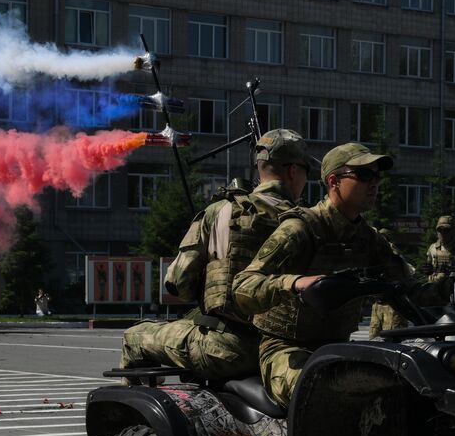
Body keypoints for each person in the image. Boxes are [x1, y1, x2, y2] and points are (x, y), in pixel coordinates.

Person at [234, 142, 443, 407]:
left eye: (377, 176)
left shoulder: (369, 238)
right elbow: (244, 286)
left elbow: (410, 290)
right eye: (364, 175)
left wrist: (453, 287)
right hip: (285, 350)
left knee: (405, 391)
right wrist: (295, 282)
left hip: (339, 348)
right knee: (324, 394)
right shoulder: (301, 229)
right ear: (334, 181)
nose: (374, 183)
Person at [119, 129, 316, 379]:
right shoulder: (310, 222)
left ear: (260, 168)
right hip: (287, 354)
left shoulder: (221, 211)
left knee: (133, 337)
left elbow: (179, 285)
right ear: (293, 171)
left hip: (228, 349)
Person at [368, 229, 411, 338]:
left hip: (393, 305)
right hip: (378, 303)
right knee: (373, 341)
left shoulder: (392, 252)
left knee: (392, 340)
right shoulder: (374, 251)